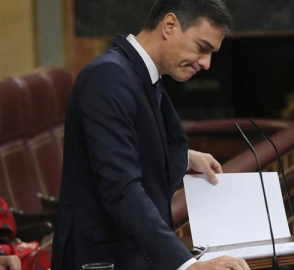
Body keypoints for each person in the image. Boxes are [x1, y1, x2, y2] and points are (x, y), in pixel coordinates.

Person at [51, 0, 249, 269]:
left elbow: (123, 143)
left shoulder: (136, 74)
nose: (206, 64)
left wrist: (183, 157)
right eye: (203, 48)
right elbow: (121, 189)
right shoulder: (108, 76)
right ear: (169, 25)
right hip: (103, 260)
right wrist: (187, 266)